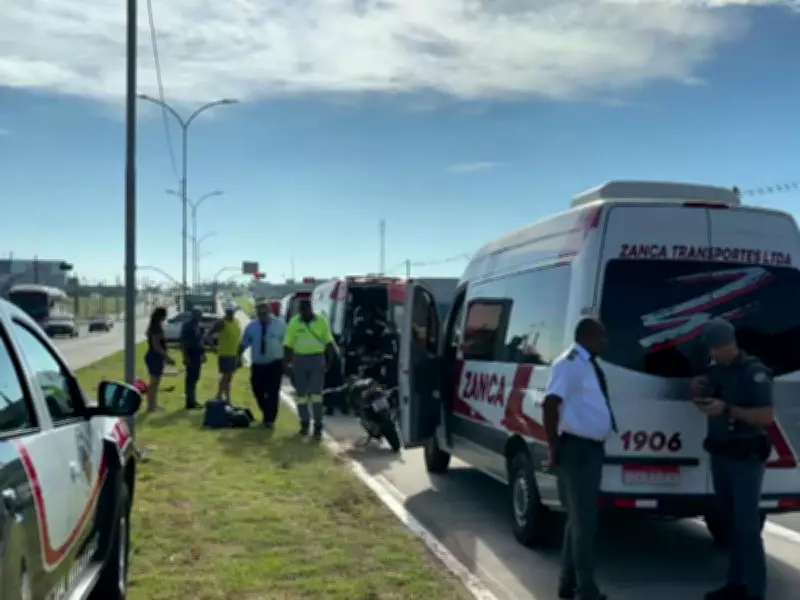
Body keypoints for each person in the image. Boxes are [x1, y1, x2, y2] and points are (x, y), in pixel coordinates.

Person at [691, 318, 774, 600]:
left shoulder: (754, 372)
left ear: (730, 343)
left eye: (717, 348)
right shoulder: (718, 371)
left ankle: (755, 590)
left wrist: (727, 409)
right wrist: (699, 394)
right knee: (730, 523)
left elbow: (764, 416)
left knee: (748, 526)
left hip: (745, 457)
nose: (713, 353)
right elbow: (710, 397)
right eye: (711, 349)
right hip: (722, 454)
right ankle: (735, 584)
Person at [542, 317, 614, 600]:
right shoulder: (570, 363)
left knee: (577, 520)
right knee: (585, 522)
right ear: (586, 337)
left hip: (589, 449)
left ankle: (567, 584)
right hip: (578, 450)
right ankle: (586, 590)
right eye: (600, 337)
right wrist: (553, 445)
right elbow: (551, 403)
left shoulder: (585, 363)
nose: (604, 342)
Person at [284, 298, 337, 439]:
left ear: (310, 309)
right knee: (301, 395)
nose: (304, 313)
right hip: (299, 360)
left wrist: (329, 361)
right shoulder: (294, 323)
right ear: (299, 311)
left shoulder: (321, 321)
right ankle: (305, 423)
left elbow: (329, 342)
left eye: (306, 310)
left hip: (317, 359)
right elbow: (288, 345)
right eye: (301, 311)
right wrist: (287, 364)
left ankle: (318, 425)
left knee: (316, 394)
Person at [239, 300, 286, 428]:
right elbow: (244, 343)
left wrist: (288, 362)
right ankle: (266, 411)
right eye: (260, 313)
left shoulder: (279, 325)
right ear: (257, 313)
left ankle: (270, 419)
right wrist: (237, 357)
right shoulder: (252, 327)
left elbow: (287, 345)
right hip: (258, 365)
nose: (262, 315)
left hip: (274, 364)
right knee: (257, 389)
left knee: (273, 392)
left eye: (264, 313)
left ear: (269, 312)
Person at [207, 305, 242, 402]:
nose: (230, 314)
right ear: (226, 313)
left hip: (234, 354)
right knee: (226, 376)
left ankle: (219, 395)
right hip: (224, 354)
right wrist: (212, 347)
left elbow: (238, 339)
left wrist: (239, 355)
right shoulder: (221, 323)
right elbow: (208, 334)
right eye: (228, 313)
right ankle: (226, 398)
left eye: (232, 312)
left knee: (229, 377)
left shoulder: (236, 322)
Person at [144, 307, 175, 412]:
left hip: (155, 356)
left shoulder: (154, 326)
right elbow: (156, 345)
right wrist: (167, 357)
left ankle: (153, 405)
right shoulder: (156, 328)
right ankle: (151, 407)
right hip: (154, 356)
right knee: (153, 383)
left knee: (155, 383)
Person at [180, 307, 206, 410]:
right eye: (198, 314)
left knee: (195, 377)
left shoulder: (198, 325)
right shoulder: (188, 326)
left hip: (197, 354)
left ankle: (193, 400)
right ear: (193, 315)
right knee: (191, 379)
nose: (200, 316)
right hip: (190, 354)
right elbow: (183, 343)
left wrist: (203, 354)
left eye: (200, 314)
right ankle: (190, 403)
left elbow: (200, 341)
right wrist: (185, 357)